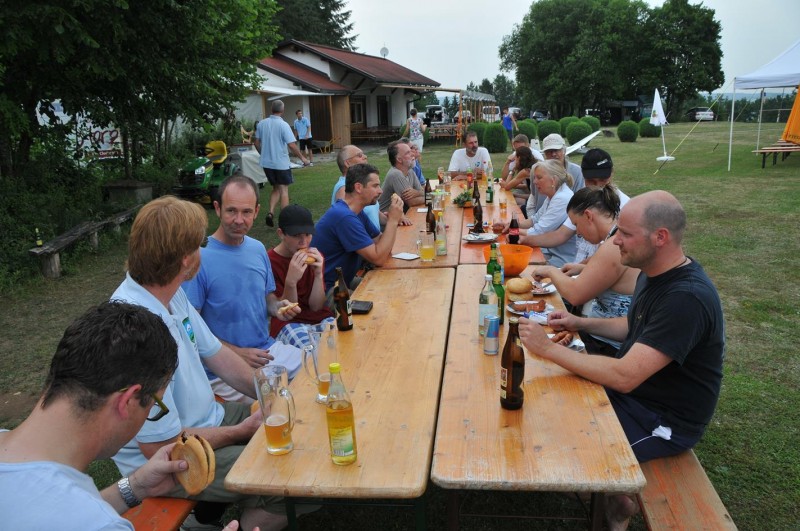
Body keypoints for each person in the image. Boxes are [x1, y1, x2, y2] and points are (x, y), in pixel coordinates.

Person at [518, 190, 725, 531]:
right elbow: (633, 326)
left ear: (660, 237)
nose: (615, 242)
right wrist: (580, 323)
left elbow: (625, 376)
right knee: (550, 409)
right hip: (636, 395)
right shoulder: (651, 272)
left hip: (662, 419)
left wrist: (548, 349)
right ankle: (614, 496)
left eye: (626, 234)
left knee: (555, 447)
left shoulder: (686, 298)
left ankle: (615, 502)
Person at [110, 196, 290, 531]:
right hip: (172, 461)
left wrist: (272, 394)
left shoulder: (171, 292)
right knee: (287, 475)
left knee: (293, 427)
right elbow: (158, 447)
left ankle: (209, 513)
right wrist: (239, 432)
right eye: (199, 245)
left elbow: (219, 356)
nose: (203, 252)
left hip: (208, 418)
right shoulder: (135, 332)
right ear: (185, 259)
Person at [0, 302, 189, 530]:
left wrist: (136, 486)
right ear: (128, 402)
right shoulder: (101, 524)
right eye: (155, 404)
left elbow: (61, 510)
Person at [183, 175, 303, 403]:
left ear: (257, 211)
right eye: (231, 211)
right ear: (217, 208)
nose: (239, 220)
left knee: (319, 366)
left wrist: (278, 307)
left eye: (246, 212)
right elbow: (190, 329)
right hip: (224, 369)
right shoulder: (199, 259)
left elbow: (267, 298)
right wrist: (236, 353)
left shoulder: (257, 249)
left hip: (267, 351)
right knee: (286, 404)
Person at [530, 186, 639, 355]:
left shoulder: (613, 246)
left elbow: (575, 295)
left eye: (576, 224)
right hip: (602, 335)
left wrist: (551, 271)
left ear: (588, 216)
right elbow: (615, 275)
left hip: (608, 346)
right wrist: (583, 268)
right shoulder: (615, 238)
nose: (578, 233)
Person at [522, 148, 631, 271]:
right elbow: (560, 235)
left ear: (612, 173)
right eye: (591, 181)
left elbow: (609, 257)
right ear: (583, 175)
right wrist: (525, 240)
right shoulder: (583, 199)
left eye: (603, 180)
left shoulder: (626, 207)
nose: (598, 185)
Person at [315, 163, 404, 289]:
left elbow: (381, 243)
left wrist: (392, 221)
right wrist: (393, 221)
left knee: (394, 286)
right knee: (385, 296)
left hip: (345, 281)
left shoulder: (355, 212)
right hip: (329, 290)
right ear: (358, 187)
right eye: (375, 186)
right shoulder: (344, 217)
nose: (381, 191)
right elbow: (378, 258)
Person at [268, 204, 335, 349]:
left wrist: (318, 275)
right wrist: (291, 282)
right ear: (281, 234)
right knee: (311, 352)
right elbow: (286, 313)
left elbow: (316, 307)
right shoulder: (269, 262)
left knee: (339, 344)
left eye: (308, 234)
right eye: (296, 235)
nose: (304, 242)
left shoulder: (316, 257)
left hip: (319, 318)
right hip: (288, 323)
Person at [254, 99, 309, 228]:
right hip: (280, 163)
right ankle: (285, 221)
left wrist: (263, 154)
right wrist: (303, 159)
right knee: (284, 190)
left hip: (267, 164)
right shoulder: (283, 125)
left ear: (271, 109)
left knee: (276, 188)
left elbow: (256, 143)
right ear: (283, 110)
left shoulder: (261, 124)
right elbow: (292, 145)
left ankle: (270, 213)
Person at [512, 159, 577, 267]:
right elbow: (534, 220)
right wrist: (513, 225)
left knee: (516, 262)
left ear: (553, 180)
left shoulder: (562, 198)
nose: (534, 182)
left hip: (561, 260)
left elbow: (538, 231)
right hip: (549, 252)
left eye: (539, 177)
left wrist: (513, 231)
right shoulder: (554, 194)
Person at [526, 133, 585, 217]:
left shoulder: (577, 171)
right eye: (549, 151)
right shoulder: (535, 170)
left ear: (564, 150)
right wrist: (532, 219)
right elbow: (533, 198)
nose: (553, 154)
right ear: (544, 154)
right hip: (540, 219)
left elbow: (579, 203)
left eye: (557, 150)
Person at [377, 139, 424, 213]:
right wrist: (430, 198)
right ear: (399, 159)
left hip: (401, 216)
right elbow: (411, 202)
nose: (413, 154)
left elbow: (421, 191)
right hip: (387, 218)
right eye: (408, 153)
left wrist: (418, 193)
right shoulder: (395, 174)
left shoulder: (410, 171)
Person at [499, 145, 537, 210]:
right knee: (514, 198)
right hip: (537, 200)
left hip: (535, 205)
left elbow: (507, 186)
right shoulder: (532, 167)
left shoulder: (526, 171)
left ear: (519, 158)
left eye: (515, 158)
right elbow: (531, 194)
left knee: (510, 204)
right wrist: (516, 195)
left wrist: (512, 170)